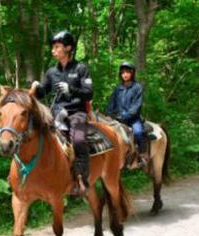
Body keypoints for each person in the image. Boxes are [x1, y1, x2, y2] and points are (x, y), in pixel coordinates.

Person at [32, 30, 93, 195]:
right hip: (57, 114)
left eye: (57, 47)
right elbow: (42, 92)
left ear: (68, 47)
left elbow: (89, 93)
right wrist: (36, 87)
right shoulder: (52, 72)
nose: (53, 50)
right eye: (53, 47)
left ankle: (82, 180)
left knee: (79, 141)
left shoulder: (81, 68)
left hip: (77, 113)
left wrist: (71, 89)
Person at [106, 61, 147, 167]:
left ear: (132, 73)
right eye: (123, 72)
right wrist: (109, 114)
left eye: (127, 72)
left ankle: (142, 156)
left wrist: (125, 116)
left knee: (138, 132)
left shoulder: (137, 87)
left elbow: (136, 106)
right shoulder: (118, 89)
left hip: (133, 119)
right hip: (118, 119)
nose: (125, 74)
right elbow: (111, 104)